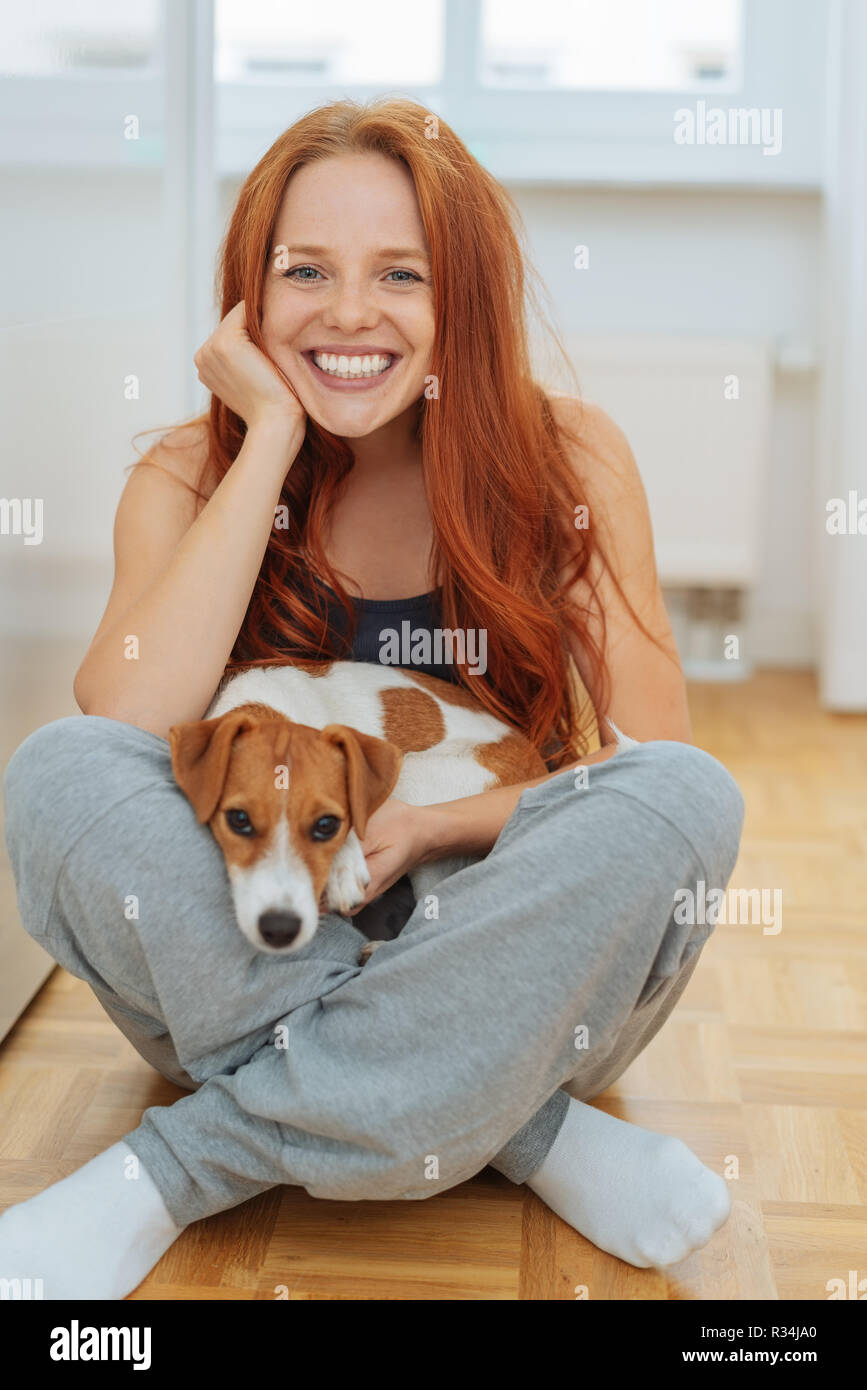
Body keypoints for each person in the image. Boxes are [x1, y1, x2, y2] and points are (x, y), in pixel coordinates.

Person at [0, 99, 743, 1299]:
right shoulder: (190, 474)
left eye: (401, 273)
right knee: (55, 771)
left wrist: (435, 826)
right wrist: (273, 437)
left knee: (686, 797)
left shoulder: (571, 460)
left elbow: (649, 755)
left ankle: (174, 1172)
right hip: (262, 941)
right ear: (249, 295)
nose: (349, 313)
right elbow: (128, 720)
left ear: (466, 299)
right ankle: (529, 1134)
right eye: (306, 272)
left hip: (505, 946)